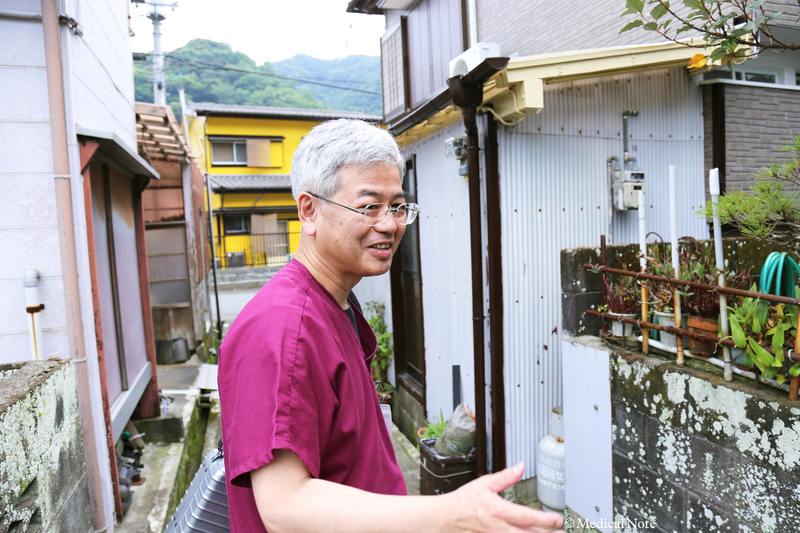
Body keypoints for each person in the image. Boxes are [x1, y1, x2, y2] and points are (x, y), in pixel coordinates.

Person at [217, 119, 565, 533]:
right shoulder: (283, 327)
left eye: (397, 207)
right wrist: (448, 514)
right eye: (368, 207)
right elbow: (284, 506)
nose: (389, 225)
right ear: (309, 210)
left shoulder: (333, 303)